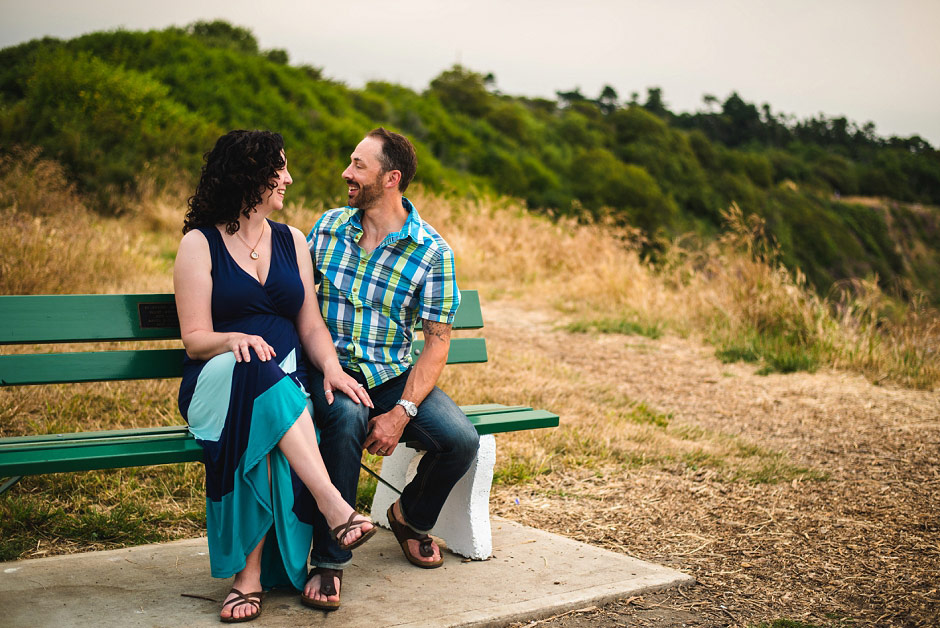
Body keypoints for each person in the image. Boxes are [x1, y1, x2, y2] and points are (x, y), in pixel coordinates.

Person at [174, 130, 377, 623]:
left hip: (285, 386)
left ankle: (249, 577)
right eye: (278, 169)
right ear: (249, 177)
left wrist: (331, 367)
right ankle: (334, 508)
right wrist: (231, 340)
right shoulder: (199, 245)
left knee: (267, 406)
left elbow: (309, 322)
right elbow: (195, 337)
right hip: (216, 381)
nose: (287, 178)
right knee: (255, 373)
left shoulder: (292, 240)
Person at [302, 128, 480, 609]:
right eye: (350, 162)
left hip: (392, 375)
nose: (346, 173)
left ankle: (410, 517)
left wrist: (401, 412)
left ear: (391, 178)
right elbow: (300, 303)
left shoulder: (432, 252)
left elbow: (436, 346)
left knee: (460, 440)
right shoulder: (329, 227)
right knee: (344, 420)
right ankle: (330, 560)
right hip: (331, 370)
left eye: (359, 165)